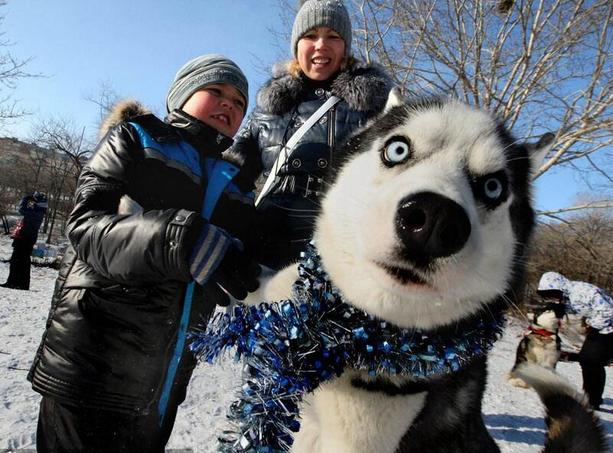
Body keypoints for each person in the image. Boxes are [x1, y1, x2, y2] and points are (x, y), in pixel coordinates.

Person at [28, 54, 263, 452]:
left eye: (240, 102)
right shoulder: (135, 138)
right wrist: (181, 240)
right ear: (182, 95)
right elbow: (85, 228)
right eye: (216, 91)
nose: (230, 104)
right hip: (90, 367)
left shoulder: (233, 183)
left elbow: (256, 252)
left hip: (163, 381)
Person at [229, 0, 393, 270]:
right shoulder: (270, 107)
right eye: (310, 35)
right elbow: (233, 173)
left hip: (336, 244)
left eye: (333, 36)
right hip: (264, 237)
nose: (320, 44)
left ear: (345, 47)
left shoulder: (373, 105)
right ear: (297, 46)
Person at [537, 271, 613, 410]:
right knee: (586, 360)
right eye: (548, 297)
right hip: (603, 329)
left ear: (558, 288)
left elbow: (607, 311)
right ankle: (590, 396)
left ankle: (592, 400)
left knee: (591, 361)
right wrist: (555, 310)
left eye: (552, 295)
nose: (552, 299)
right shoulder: (567, 295)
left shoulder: (582, 291)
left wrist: (592, 324)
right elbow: (576, 308)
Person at [1, 191, 48, 290]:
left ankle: (15, 282)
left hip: (25, 237)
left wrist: (26, 198)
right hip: (28, 237)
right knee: (23, 261)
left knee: (18, 260)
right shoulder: (39, 210)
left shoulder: (36, 210)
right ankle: (20, 283)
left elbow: (22, 209)